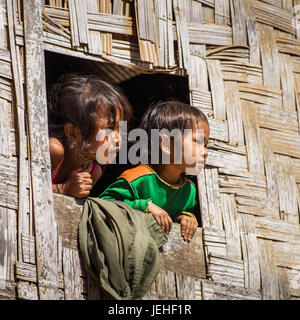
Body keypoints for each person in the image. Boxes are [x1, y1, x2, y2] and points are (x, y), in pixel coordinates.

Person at [99, 100, 210, 241]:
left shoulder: (189, 191)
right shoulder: (138, 178)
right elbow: (103, 203)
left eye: (206, 145)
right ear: (165, 144)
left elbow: (185, 214)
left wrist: (186, 217)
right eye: (198, 141)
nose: (205, 152)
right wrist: (144, 206)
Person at [48, 73, 132, 198]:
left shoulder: (93, 171)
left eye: (120, 129)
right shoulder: (54, 150)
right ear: (73, 133)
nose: (118, 139)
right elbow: (25, 186)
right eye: (109, 129)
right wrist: (63, 189)